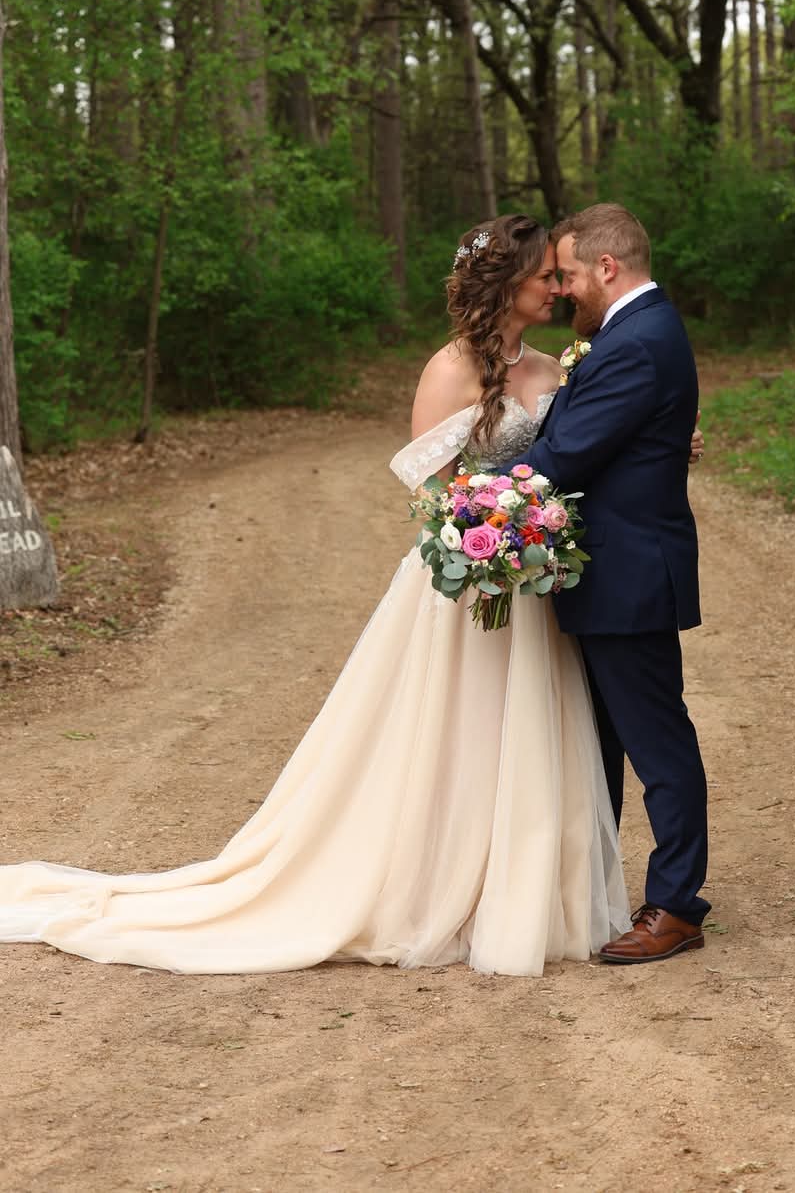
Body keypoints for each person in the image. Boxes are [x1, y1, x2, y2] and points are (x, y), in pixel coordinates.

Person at [0, 213, 701, 977]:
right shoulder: (450, 371)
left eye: (563, 276)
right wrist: (481, 527)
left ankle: (547, 887)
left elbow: (592, 443)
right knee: (460, 742)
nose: (557, 289)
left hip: (537, 581)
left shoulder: (560, 365)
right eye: (544, 277)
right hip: (474, 584)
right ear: (508, 283)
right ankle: (447, 886)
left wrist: (663, 440)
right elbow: (433, 488)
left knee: (548, 741)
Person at [516, 203, 709, 964]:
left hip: (628, 575)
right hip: (612, 573)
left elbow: (564, 455)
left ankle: (677, 906)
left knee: (656, 742)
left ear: (606, 267)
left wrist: (474, 492)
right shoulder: (634, 334)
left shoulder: (635, 343)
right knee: (601, 744)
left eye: (568, 274)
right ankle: (598, 891)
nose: (563, 289)